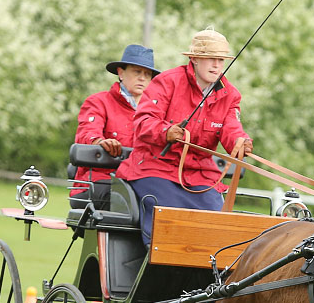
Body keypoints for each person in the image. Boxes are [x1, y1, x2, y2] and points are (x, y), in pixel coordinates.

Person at [115, 28, 253, 246]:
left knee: (219, 224)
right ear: (195, 59)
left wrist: (240, 141)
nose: (216, 65)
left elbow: (231, 127)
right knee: (168, 219)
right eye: (210, 59)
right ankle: (157, 266)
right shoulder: (168, 82)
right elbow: (143, 122)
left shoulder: (231, 95)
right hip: (155, 168)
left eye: (221, 60)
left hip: (201, 175)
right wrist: (166, 132)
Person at [70, 44, 160, 208]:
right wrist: (99, 142)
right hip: (98, 182)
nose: (142, 78)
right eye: (137, 72)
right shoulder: (98, 102)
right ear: (120, 72)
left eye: (147, 74)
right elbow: (86, 134)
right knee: (130, 200)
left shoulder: (157, 112)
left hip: (139, 184)